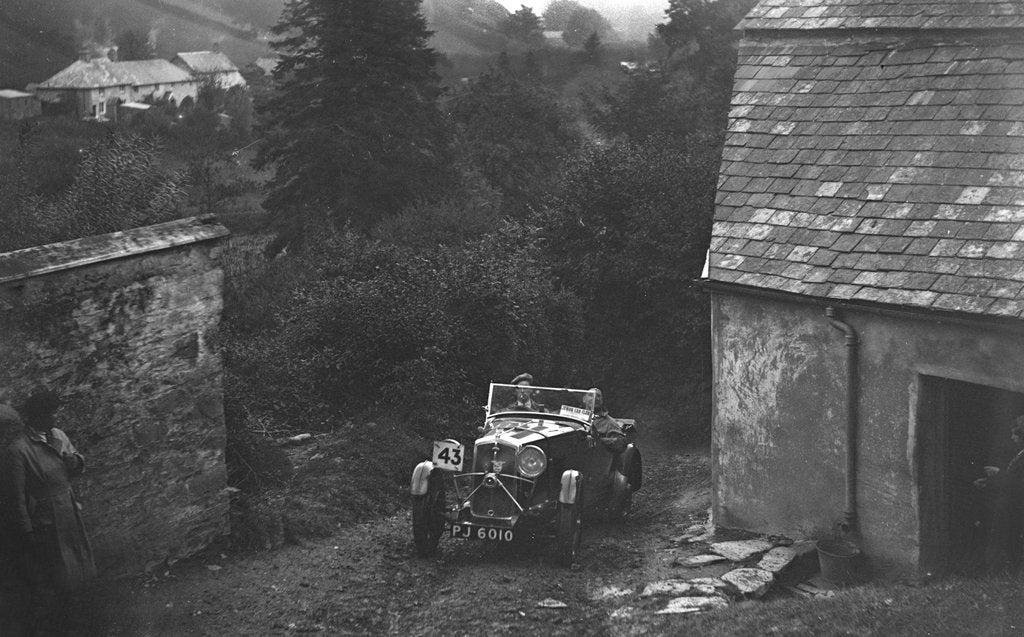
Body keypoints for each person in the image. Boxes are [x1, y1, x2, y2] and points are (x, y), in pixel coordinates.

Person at [3, 388, 96, 635]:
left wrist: (74, 462)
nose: (54, 419)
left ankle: (83, 620)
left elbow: (76, 460)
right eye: (49, 414)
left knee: (79, 567)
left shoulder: (58, 435)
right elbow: (17, 497)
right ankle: (62, 626)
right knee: (57, 576)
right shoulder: (19, 449)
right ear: (36, 417)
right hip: (47, 520)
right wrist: (27, 531)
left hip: (69, 511)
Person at [973, 419, 1024, 574]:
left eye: (1015, 435)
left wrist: (998, 473)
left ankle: (1014, 571)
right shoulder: (1020, 454)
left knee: (1014, 537)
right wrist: (989, 482)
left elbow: (1019, 483)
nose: (1012, 438)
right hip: (1013, 505)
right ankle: (1012, 570)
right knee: (1012, 538)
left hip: (1018, 506)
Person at [585, 388, 626, 453]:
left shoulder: (609, 422)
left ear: (601, 401)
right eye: (591, 395)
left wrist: (597, 440)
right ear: (584, 399)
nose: (595, 398)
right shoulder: (575, 416)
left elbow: (620, 443)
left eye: (598, 396)